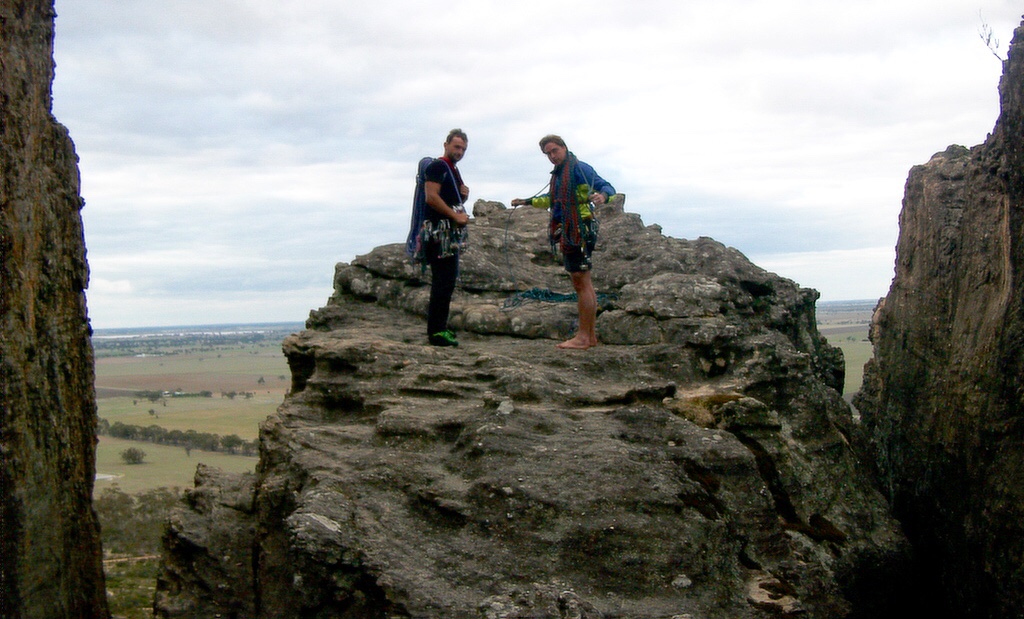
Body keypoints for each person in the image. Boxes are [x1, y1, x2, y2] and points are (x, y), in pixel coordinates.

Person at [511, 134, 615, 350]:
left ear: (564, 147)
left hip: (580, 230)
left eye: (554, 151)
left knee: (581, 281)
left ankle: (584, 337)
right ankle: (589, 337)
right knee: (581, 281)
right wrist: (526, 202)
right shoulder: (559, 175)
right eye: (547, 154)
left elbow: (608, 188)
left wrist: (603, 197)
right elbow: (551, 199)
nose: (552, 156)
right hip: (569, 230)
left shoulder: (579, 168)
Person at [422, 128, 470, 347]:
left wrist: (463, 196)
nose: (459, 152)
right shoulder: (438, 166)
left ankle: (440, 327)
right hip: (439, 233)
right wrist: (454, 215)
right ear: (446, 145)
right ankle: (436, 332)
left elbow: (447, 198)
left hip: (448, 234)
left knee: (447, 281)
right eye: (456, 147)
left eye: (463, 149)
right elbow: (431, 197)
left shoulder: (452, 170)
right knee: (442, 281)